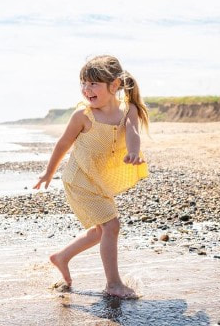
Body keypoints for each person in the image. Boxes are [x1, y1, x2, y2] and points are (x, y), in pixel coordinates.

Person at [34, 55, 149, 299]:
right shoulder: (83, 116)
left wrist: (133, 151)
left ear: (115, 85)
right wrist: (48, 172)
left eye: (93, 84)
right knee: (111, 225)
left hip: (97, 179)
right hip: (79, 179)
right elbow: (63, 143)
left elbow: (133, 132)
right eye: (83, 83)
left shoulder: (129, 109)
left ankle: (61, 257)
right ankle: (113, 284)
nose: (87, 89)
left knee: (101, 230)